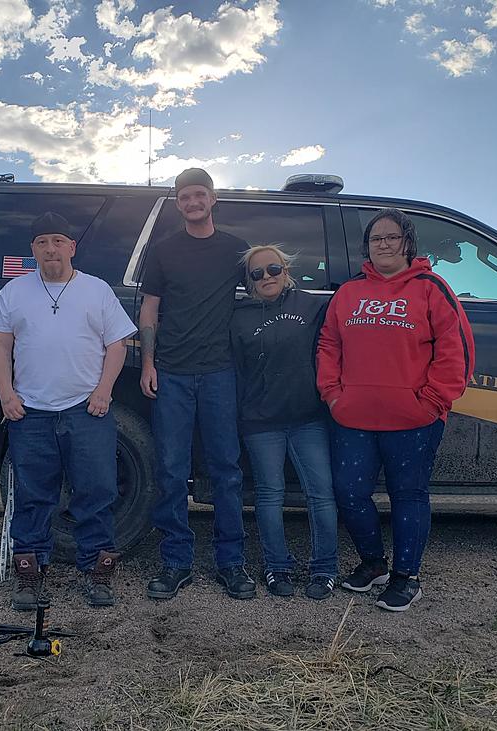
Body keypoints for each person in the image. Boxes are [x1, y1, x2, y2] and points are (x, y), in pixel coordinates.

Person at [317, 208, 474, 612]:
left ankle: (407, 577)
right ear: (366, 246)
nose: (383, 244)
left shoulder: (431, 288)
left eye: (392, 237)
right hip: (353, 416)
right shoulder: (349, 293)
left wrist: (432, 401)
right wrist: (333, 394)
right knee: (349, 493)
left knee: (409, 495)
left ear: (407, 243)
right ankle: (374, 565)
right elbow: (329, 345)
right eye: (376, 239)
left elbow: (455, 350)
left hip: (414, 419)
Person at [0, 212, 137, 608]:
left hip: (86, 409)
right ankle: (29, 576)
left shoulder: (97, 290)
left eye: (57, 240)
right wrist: (6, 394)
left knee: (97, 490)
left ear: (72, 246)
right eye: (41, 242)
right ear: (33, 249)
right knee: (34, 495)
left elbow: (117, 344)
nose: (50, 248)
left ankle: (98, 572)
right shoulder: (14, 292)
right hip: (30, 411)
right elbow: (0, 345)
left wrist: (104, 391)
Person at [139, 168, 255, 601]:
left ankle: (232, 562)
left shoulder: (235, 249)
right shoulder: (164, 250)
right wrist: (148, 363)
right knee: (171, 469)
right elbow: (149, 310)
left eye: (199, 194)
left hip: (221, 373)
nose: (193, 202)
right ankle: (175, 561)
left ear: (213, 198)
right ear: (177, 202)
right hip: (171, 372)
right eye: (185, 196)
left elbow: (263, 292)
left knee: (226, 469)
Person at [230, 245, 338, 600]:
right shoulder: (239, 316)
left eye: (273, 269)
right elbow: (236, 371)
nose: (267, 277)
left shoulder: (312, 306)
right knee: (269, 495)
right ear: (249, 281)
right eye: (257, 273)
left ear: (286, 270)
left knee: (320, 495)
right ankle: (277, 567)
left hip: (308, 418)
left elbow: (334, 349)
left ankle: (324, 569)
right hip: (261, 423)